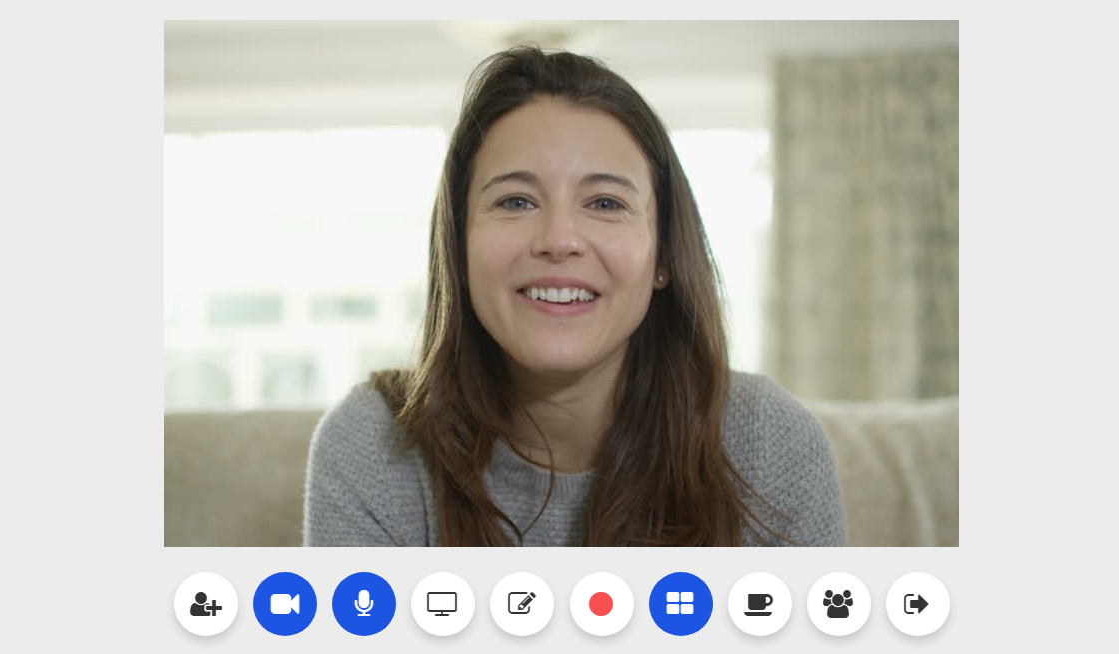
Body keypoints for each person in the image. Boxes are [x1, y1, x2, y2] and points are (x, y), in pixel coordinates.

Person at [304, 46, 846, 547]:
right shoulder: (371, 442)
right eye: (515, 202)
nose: (559, 240)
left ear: (663, 255)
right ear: (459, 249)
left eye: (606, 203)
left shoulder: (769, 440)